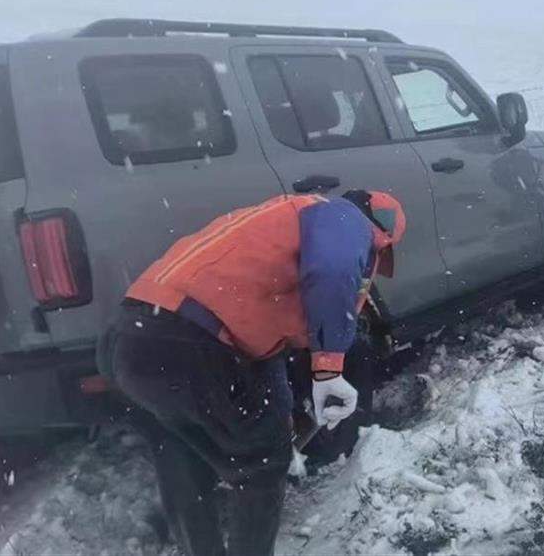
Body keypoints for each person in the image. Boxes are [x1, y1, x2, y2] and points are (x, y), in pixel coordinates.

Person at [97, 190, 406, 556]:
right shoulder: (343, 216)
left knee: (181, 454)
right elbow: (333, 271)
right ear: (378, 229)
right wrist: (328, 369)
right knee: (262, 466)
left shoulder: (276, 221)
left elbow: (271, 330)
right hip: (189, 343)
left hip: (130, 340)